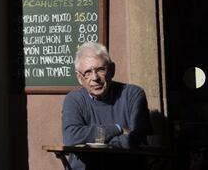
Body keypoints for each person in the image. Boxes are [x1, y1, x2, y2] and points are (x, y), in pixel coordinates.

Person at [62, 42, 152, 170]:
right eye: (87, 72)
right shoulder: (73, 99)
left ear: (112, 70)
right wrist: (117, 129)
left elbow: (137, 137)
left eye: (100, 70)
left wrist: (95, 144)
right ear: (79, 78)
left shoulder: (133, 94)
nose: (95, 78)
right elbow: (71, 137)